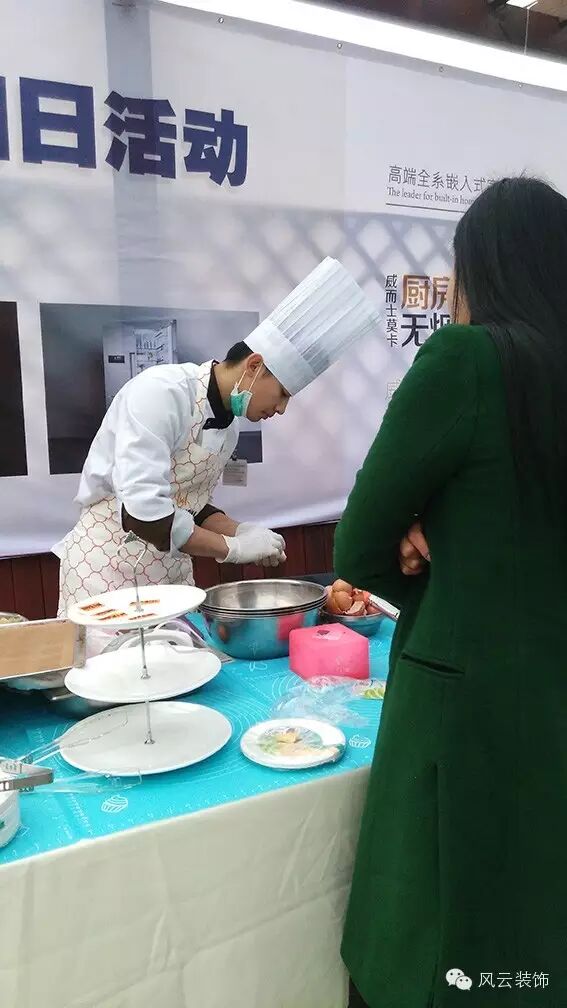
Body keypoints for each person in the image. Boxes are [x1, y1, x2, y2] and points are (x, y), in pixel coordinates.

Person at [336, 177, 567, 1007]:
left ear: (478, 273)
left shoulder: (466, 360)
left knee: (434, 938)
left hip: (465, 709)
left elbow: (358, 546)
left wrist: (424, 547)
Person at [55, 257, 380, 614]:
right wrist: (232, 549)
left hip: (169, 574)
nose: (281, 409)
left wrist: (240, 530)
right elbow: (144, 515)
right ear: (254, 366)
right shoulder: (162, 393)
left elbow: (190, 505)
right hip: (107, 569)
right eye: (283, 393)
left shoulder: (230, 425)